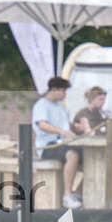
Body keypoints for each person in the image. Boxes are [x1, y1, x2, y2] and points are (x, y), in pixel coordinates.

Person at [32, 76, 82, 209]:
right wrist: (62, 132)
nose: (65, 94)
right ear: (54, 90)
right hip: (48, 146)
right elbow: (43, 124)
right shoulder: (41, 104)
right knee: (72, 154)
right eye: (63, 91)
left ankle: (77, 192)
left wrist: (76, 126)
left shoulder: (60, 107)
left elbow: (65, 125)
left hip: (62, 144)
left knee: (88, 155)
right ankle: (67, 195)